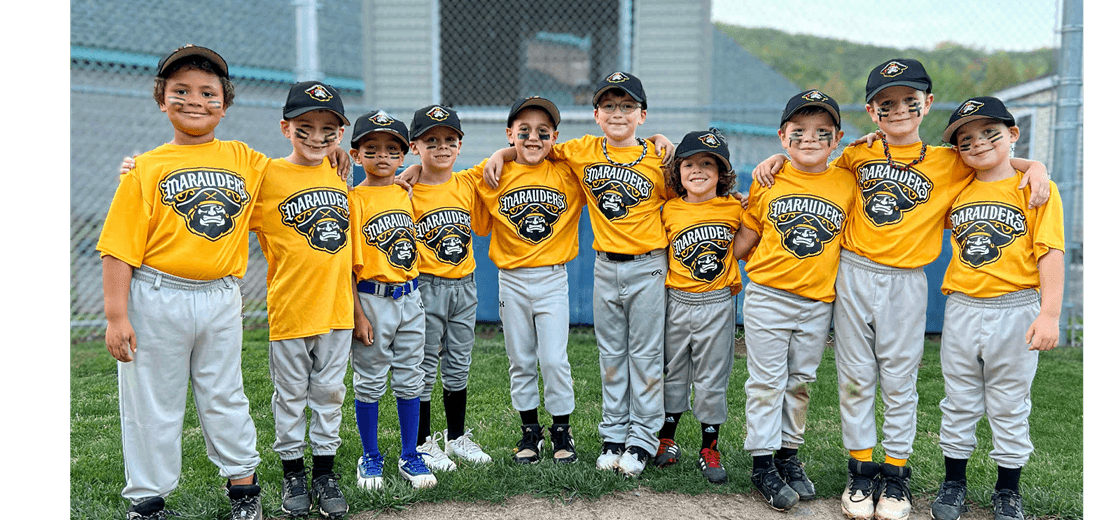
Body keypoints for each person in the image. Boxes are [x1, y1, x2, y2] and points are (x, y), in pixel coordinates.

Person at [754, 58, 1051, 520]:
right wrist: (773, 159)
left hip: (907, 281)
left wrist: (1034, 165)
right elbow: (810, 165)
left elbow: (995, 158)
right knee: (855, 377)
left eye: (909, 101)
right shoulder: (856, 153)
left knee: (899, 380)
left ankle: (895, 474)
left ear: (927, 104)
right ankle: (860, 469)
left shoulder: (949, 160)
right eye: (886, 104)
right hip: (854, 271)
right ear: (872, 112)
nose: (898, 111)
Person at [97, 45, 268, 520]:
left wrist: (334, 150)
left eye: (208, 92)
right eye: (181, 90)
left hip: (219, 297)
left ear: (225, 103)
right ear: (162, 100)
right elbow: (118, 248)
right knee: (151, 401)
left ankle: (245, 490)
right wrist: (116, 315)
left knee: (226, 394)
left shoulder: (246, 160)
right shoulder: (147, 168)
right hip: (157, 294)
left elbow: (297, 173)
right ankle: (147, 502)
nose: (195, 100)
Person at [484, 72, 674, 477]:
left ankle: (642, 440)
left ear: (642, 114)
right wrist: (501, 153)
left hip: (648, 264)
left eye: (627, 106)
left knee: (644, 356)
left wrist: (662, 140)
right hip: (606, 266)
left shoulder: (660, 158)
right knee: (611, 356)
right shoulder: (580, 151)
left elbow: (690, 195)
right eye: (609, 105)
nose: (617, 113)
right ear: (596, 114)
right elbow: (535, 145)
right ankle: (613, 436)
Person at [928, 97, 1064, 520]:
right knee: (959, 399)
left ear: (1013, 134)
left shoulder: (1035, 187)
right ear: (957, 151)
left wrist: (1050, 314)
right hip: (964, 307)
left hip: (1017, 307)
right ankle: (954, 483)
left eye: (991, 133)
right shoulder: (957, 187)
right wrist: (1032, 162)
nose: (979, 143)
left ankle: (1008, 490)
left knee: (1009, 403)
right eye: (966, 140)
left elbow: (1051, 252)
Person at [733, 91, 856, 512]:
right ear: (783, 136)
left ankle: (788, 455)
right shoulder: (768, 178)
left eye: (822, 132)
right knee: (767, 381)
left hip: (818, 301)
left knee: (800, 381)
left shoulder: (847, 179)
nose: (810, 139)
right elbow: (747, 241)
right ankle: (762, 463)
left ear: (836, 138)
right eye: (798, 131)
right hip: (768, 295)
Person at [248, 81, 352, 518]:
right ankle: (293, 470)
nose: (316, 136)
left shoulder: (341, 172)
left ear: (341, 134)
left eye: (328, 129)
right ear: (285, 128)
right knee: (289, 395)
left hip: (337, 311)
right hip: (291, 310)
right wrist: (139, 167)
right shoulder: (267, 175)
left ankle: (324, 471)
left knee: (329, 393)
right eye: (304, 126)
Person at [467, 96, 586, 463]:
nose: (533, 138)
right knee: (520, 359)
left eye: (543, 132)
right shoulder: (491, 174)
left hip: (552, 278)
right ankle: (529, 432)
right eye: (524, 132)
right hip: (512, 279)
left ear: (554, 137)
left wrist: (502, 151)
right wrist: (499, 157)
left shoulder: (568, 172)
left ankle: (562, 431)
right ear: (509, 134)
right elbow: (444, 180)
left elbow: (594, 156)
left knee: (553, 359)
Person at [347, 111, 436, 490]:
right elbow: (348, 267)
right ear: (355, 155)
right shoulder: (353, 199)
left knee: (411, 377)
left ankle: (410, 454)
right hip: (372, 299)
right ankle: (370, 455)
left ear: (404, 155)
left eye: (391, 149)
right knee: (369, 380)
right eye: (371, 148)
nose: (382, 156)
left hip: (410, 295)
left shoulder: (405, 192)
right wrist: (357, 314)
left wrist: (413, 174)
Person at [403, 105, 492, 470]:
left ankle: (456, 438)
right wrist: (406, 174)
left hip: (465, 286)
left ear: (460, 145)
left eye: (450, 140)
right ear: (415, 146)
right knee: (423, 364)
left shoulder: (468, 182)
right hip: (426, 285)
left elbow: (506, 155)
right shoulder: (405, 190)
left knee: (458, 363)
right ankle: (424, 442)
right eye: (431, 140)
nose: (442, 147)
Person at [654, 128, 744, 485]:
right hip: (677, 300)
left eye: (708, 163)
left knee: (712, 376)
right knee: (673, 370)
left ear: (722, 173)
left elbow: (748, 239)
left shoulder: (734, 207)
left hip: (717, 302)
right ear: (677, 172)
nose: (698, 170)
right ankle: (667, 439)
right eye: (689, 163)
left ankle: (710, 447)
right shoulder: (668, 209)